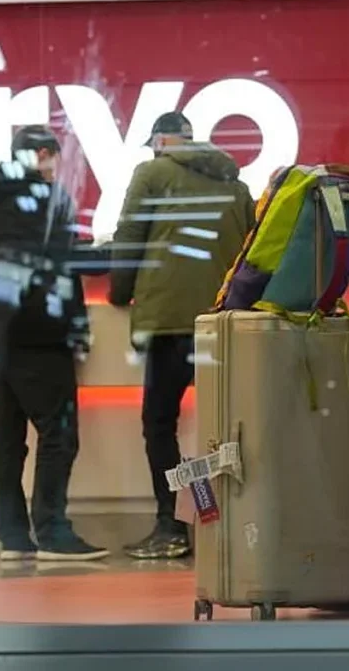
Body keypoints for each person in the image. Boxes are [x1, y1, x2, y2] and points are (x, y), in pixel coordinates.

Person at [110, 111, 256, 559]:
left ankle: (172, 527)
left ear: (161, 141)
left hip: (169, 321)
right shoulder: (237, 184)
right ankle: (232, 528)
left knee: (160, 424)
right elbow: (251, 247)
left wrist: (120, 291)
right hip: (221, 321)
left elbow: (131, 234)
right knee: (230, 430)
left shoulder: (151, 172)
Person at [0, 125, 108, 562]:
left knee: (7, 438)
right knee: (58, 434)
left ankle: (14, 538)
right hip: (38, 331)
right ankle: (52, 532)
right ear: (44, 153)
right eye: (53, 157)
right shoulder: (45, 198)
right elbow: (59, 262)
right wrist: (107, 254)